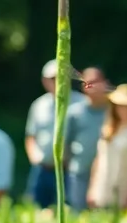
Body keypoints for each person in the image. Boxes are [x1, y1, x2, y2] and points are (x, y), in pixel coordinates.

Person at [25, 59, 85, 207]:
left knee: (68, 210)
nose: (57, 81)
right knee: (36, 209)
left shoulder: (81, 103)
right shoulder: (39, 105)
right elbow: (31, 135)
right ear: (45, 81)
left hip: (69, 171)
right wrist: (35, 158)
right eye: (53, 78)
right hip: (43, 168)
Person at [88, 83, 127, 210]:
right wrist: (92, 188)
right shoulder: (108, 127)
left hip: (123, 187)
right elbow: (99, 160)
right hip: (102, 187)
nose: (123, 109)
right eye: (120, 106)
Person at [64, 66, 111, 210]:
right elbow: (66, 143)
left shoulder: (114, 111)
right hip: (79, 172)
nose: (92, 86)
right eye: (87, 82)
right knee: (78, 213)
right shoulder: (74, 112)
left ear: (105, 83)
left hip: (106, 173)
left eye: (96, 81)